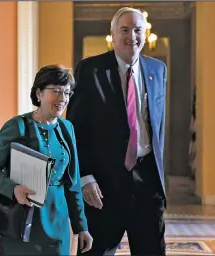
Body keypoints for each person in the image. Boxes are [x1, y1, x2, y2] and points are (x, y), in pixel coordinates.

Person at [66, 7, 167, 256]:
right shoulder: (90, 70)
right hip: (103, 185)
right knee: (96, 251)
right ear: (112, 34)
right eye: (124, 29)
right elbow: (76, 127)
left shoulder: (157, 70)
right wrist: (85, 176)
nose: (131, 36)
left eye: (137, 30)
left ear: (145, 34)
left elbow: (157, 126)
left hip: (147, 182)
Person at [0, 65, 93, 255]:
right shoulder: (17, 126)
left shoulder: (67, 128)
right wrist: (13, 189)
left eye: (66, 93)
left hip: (57, 221)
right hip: (22, 220)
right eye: (56, 91)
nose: (63, 99)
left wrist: (81, 226)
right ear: (39, 93)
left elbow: (72, 184)